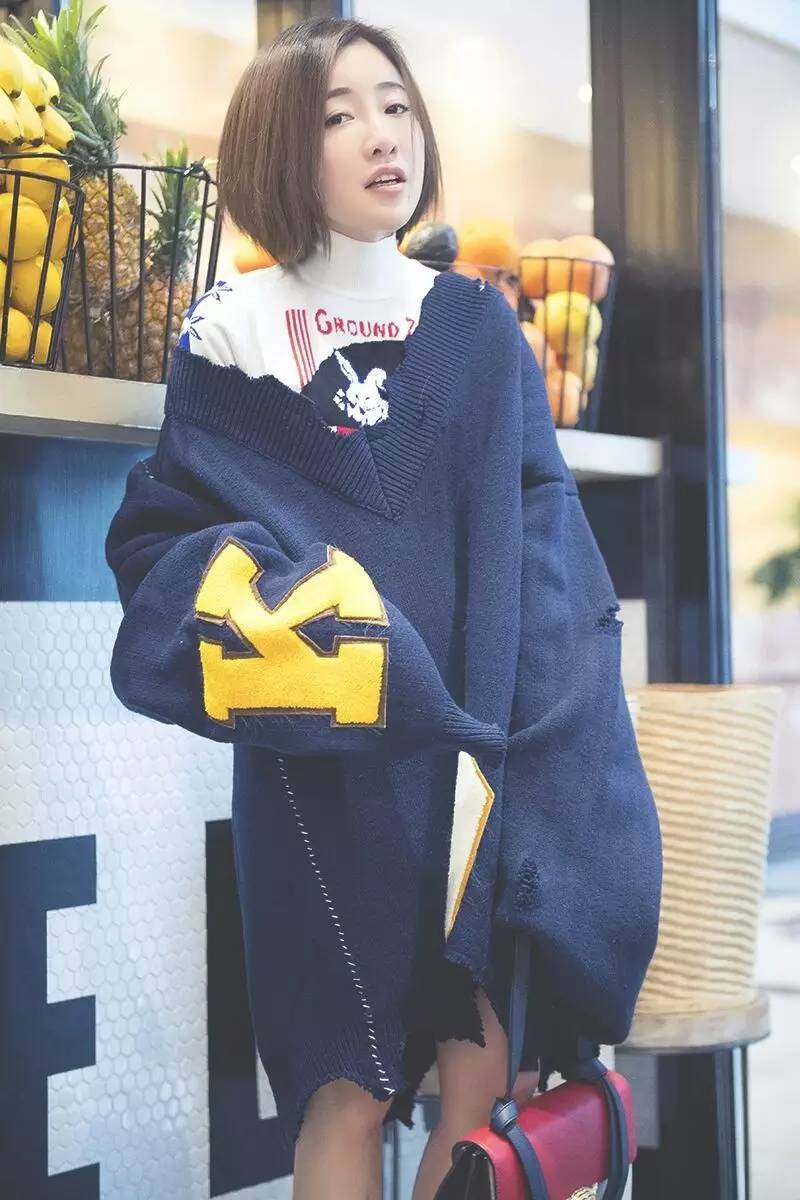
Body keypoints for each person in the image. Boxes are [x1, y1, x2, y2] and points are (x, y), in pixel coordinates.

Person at [105, 15, 661, 1200]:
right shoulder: (228, 336)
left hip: (477, 776)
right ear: (277, 144)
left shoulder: (479, 328)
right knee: (340, 1094)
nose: (380, 135)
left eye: (395, 106)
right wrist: (308, 622)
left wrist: (551, 762)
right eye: (338, 114)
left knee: (480, 1090)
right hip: (321, 786)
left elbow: (547, 553)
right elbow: (162, 545)